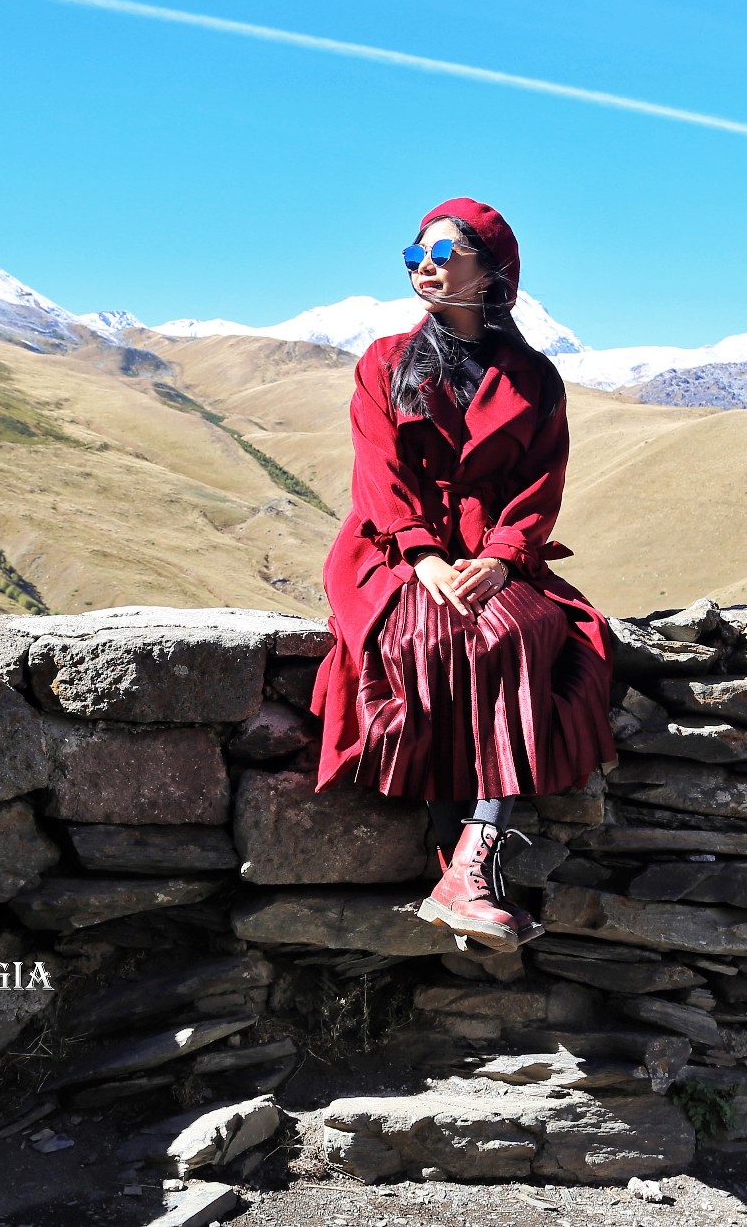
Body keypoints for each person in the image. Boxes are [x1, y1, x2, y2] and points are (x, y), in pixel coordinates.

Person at [307, 197, 619, 952]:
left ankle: (470, 858)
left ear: (494, 271)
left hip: (491, 553)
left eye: (444, 254)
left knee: (520, 631)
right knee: (428, 638)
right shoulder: (384, 361)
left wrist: (502, 557)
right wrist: (425, 554)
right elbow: (377, 472)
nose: (425, 267)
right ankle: (468, 870)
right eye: (415, 256)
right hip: (393, 549)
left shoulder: (537, 379)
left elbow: (541, 482)